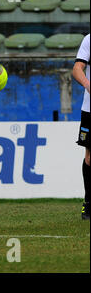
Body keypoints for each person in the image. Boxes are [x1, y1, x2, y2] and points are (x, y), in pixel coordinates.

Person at [72, 33, 90, 220]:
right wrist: (88, 84)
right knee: (90, 156)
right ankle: (89, 203)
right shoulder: (89, 40)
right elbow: (77, 69)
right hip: (90, 109)